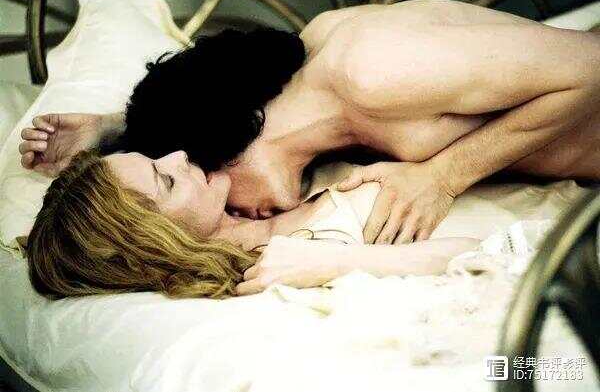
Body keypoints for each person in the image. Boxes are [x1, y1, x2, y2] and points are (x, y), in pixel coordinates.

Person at [20, 0, 600, 246]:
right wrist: (115, 128)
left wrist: (443, 178)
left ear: (225, 148)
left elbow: (591, 68)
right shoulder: (313, 88)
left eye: (219, 194)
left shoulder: (371, 70)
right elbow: (211, 86)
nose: (236, 214)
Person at [26, 149, 479, 299]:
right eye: (167, 180)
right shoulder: (278, 271)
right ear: (157, 241)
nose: (179, 154)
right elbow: (489, 255)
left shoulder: (259, 182)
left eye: (156, 157)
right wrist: (340, 262)